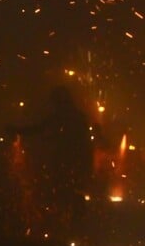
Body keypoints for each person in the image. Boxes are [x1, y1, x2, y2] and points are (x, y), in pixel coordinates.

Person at [7, 85, 94, 229]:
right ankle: (74, 224)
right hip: (75, 160)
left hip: (69, 160)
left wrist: (18, 131)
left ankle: (70, 225)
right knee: (70, 191)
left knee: (65, 190)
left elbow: (41, 129)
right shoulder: (77, 116)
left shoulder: (63, 116)